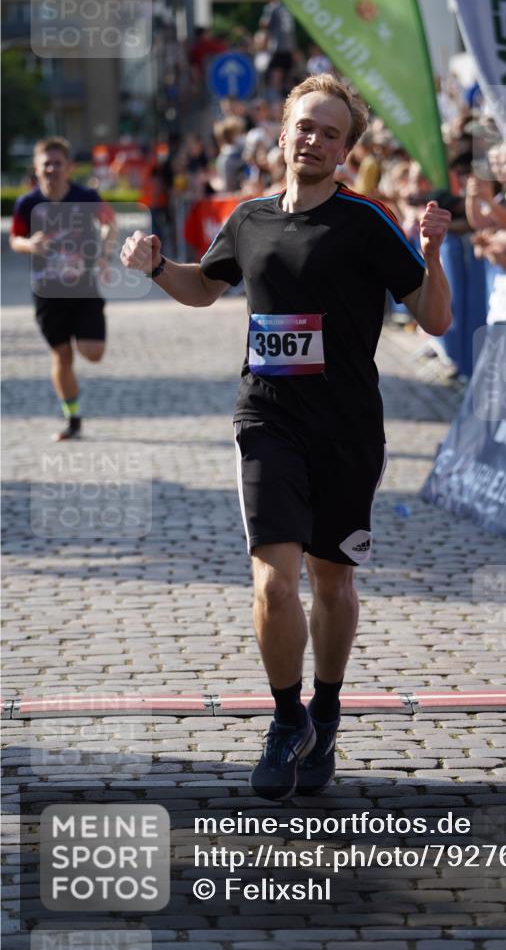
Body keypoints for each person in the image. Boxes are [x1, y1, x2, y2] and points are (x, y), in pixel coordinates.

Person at [121, 74, 452, 800]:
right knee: (272, 578)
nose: (313, 140)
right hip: (267, 416)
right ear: (282, 133)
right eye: (304, 126)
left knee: (331, 581)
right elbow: (204, 287)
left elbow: (432, 321)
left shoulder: (365, 222)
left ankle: (325, 715)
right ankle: (284, 718)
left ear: (344, 151)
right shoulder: (248, 219)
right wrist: (153, 267)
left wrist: (430, 254)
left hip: (346, 427)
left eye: (330, 133)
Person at [10, 137, 116, 441]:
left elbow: (110, 222)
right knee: (62, 357)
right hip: (46, 291)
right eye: (46, 164)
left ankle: (73, 409)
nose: (52, 169)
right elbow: (14, 240)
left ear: (69, 168)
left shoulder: (87, 196)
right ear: (36, 168)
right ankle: (73, 418)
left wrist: (104, 253)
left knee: (92, 352)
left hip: (82, 286)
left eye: (58, 163)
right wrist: (31, 244)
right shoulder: (27, 203)